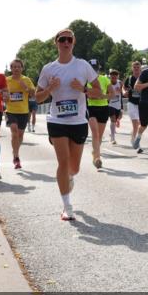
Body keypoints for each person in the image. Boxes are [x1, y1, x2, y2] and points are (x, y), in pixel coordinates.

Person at [35, 29, 102, 221]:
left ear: (73, 42)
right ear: (56, 42)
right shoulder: (49, 69)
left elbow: (99, 92)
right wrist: (49, 89)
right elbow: (38, 98)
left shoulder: (82, 66)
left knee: (74, 167)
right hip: (57, 121)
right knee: (63, 163)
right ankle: (67, 206)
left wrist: (82, 88)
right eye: (62, 39)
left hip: (78, 122)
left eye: (69, 39)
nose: (66, 42)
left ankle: (69, 177)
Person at [6, 59, 37, 170]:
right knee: (14, 131)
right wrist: (4, 96)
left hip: (23, 111)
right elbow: (3, 93)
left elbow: (33, 94)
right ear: (11, 69)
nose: (16, 69)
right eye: (14, 67)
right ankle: (17, 157)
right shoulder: (7, 80)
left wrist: (25, 88)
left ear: (22, 68)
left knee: (20, 135)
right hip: (11, 110)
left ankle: (15, 151)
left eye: (18, 67)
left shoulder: (26, 79)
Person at [85, 59, 112, 169]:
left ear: (98, 68)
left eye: (96, 68)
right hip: (91, 108)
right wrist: (95, 95)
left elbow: (112, 93)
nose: (94, 71)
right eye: (92, 69)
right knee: (95, 133)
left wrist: (102, 96)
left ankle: (95, 152)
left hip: (104, 108)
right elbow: (88, 94)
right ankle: (97, 158)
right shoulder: (86, 80)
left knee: (99, 136)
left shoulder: (105, 79)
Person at [123, 61, 143, 148]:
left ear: (140, 68)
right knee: (135, 124)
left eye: (137, 67)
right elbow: (123, 87)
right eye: (134, 67)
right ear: (132, 68)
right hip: (131, 103)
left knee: (140, 124)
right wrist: (124, 92)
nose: (136, 69)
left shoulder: (143, 77)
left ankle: (133, 137)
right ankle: (135, 142)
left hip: (141, 104)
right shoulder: (130, 78)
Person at [106, 69, 124, 145]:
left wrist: (121, 90)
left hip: (118, 104)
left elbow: (123, 91)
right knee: (113, 119)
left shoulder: (120, 83)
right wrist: (110, 94)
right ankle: (112, 138)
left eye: (115, 77)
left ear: (117, 77)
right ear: (110, 77)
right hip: (110, 104)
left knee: (119, 117)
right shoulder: (108, 84)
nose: (113, 79)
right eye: (112, 77)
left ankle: (116, 123)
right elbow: (105, 94)